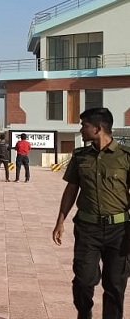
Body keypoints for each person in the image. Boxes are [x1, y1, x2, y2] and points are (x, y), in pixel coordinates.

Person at [52, 107, 130, 319]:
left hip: (119, 230)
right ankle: (84, 313)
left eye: (84, 126)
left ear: (97, 128)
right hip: (87, 229)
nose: (81, 130)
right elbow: (71, 189)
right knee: (83, 280)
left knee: (115, 284)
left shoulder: (125, 157)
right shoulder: (80, 156)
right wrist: (60, 221)